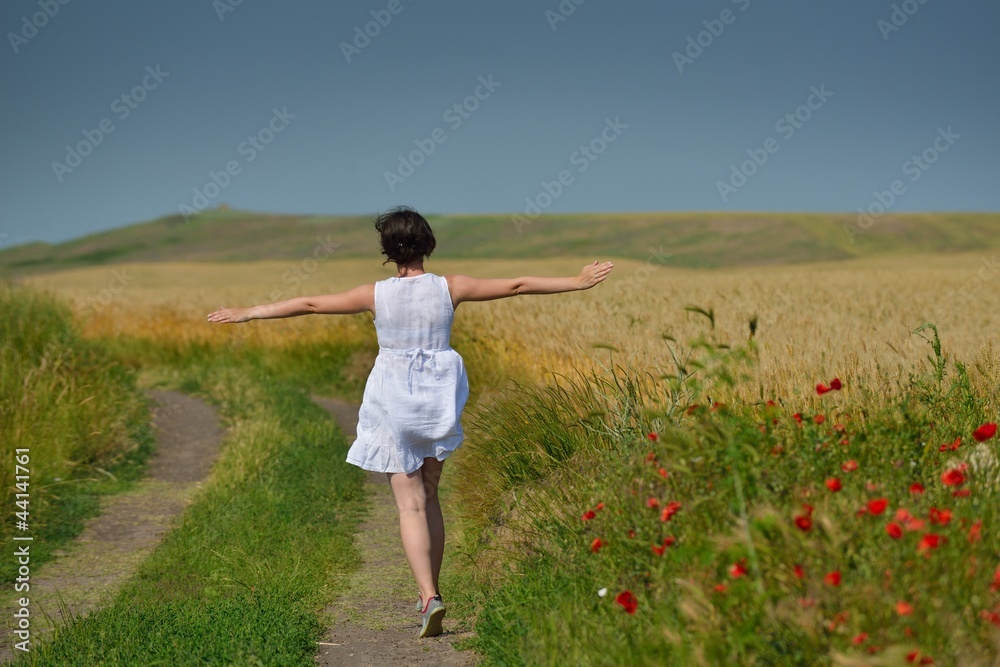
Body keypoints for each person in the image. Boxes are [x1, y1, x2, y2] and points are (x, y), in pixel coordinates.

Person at [207, 206, 614, 638]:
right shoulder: (450, 287)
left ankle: (428, 596)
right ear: (429, 245)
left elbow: (308, 304)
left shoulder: (375, 294)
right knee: (431, 495)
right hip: (439, 398)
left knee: (409, 504)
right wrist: (577, 281)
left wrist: (249, 312)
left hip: (393, 400)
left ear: (387, 251)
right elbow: (517, 285)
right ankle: (430, 594)